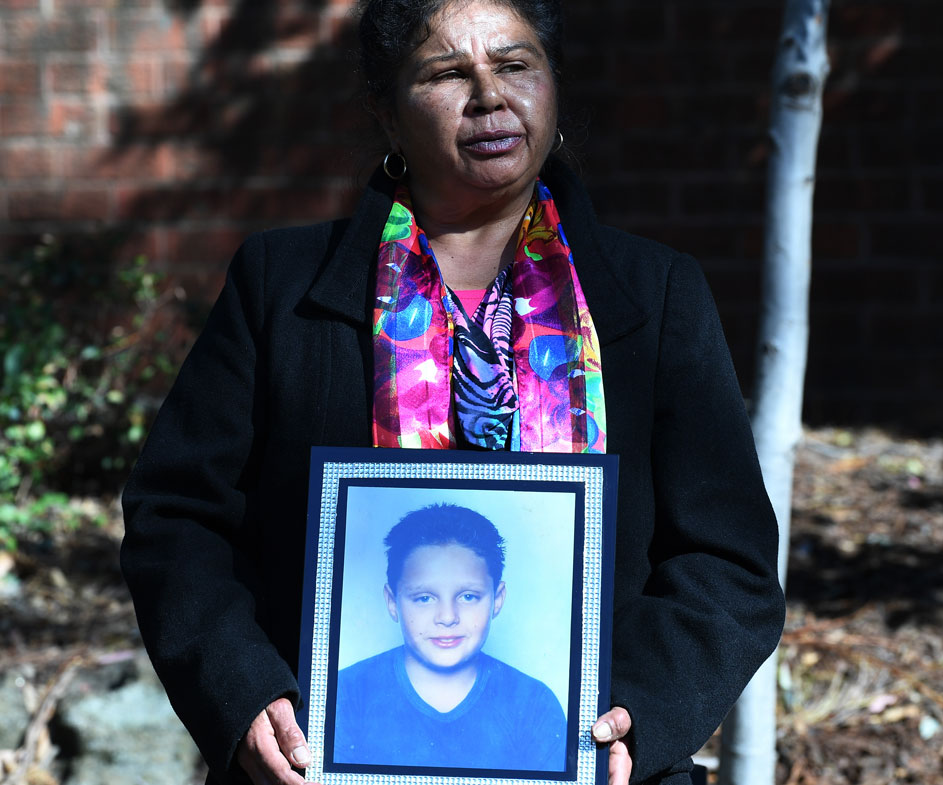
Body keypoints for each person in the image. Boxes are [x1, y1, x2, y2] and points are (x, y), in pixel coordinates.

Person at [120, 1, 785, 783]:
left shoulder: (656, 293)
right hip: (329, 763)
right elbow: (178, 518)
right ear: (387, 111)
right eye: (446, 73)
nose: (490, 97)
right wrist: (243, 692)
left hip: (588, 762)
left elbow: (727, 559)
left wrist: (640, 711)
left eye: (515, 65)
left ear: (552, 84)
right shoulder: (281, 286)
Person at [333, 503, 567, 772]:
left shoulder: (534, 704)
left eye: (468, 596)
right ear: (392, 602)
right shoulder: (347, 694)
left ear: (497, 600)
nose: (447, 617)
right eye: (424, 598)